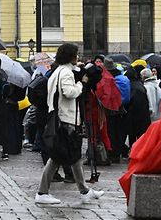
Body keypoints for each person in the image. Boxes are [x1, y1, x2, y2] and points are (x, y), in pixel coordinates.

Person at [35, 43, 103, 205]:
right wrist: (82, 83)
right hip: (65, 120)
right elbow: (69, 92)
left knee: (73, 156)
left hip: (60, 118)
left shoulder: (58, 71)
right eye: (76, 55)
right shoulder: (65, 73)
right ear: (70, 56)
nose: (77, 57)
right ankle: (42, 192)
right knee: (59, 157)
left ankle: (84, 190)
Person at [125, 68, 151, 151]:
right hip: (143, 115)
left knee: (132, 135)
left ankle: (133, 150)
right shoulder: (140, 85)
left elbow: (128, 101)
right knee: (141, 135)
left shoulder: (130, 86)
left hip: (132, 115)